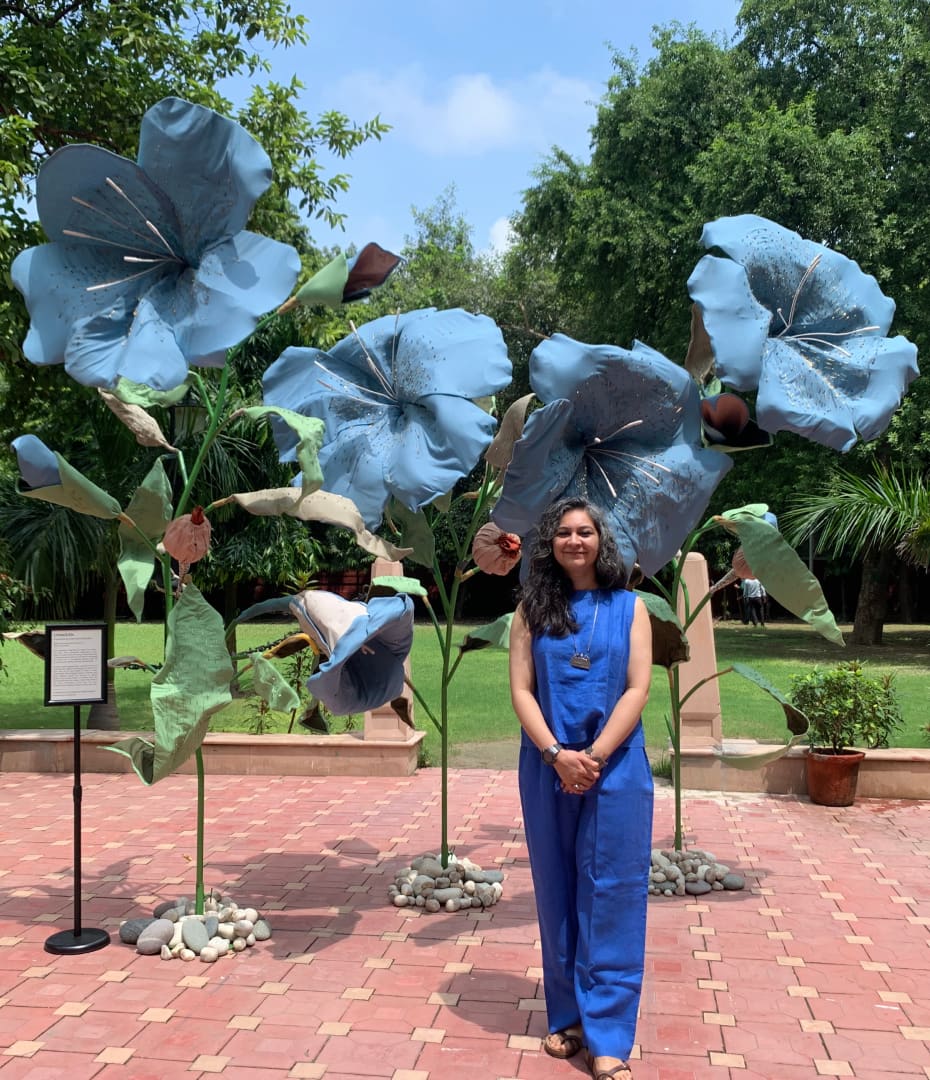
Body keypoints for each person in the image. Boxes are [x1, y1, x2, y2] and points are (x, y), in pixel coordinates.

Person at [509, 496, 653, 1080]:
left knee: (613, 894)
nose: (575, 540)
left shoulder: (630, 608)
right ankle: (568, 1015)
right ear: (551, 543)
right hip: (546, 765)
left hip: (615, 769)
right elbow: (521, 690)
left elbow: (637, 687)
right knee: (557, 889)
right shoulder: (531, 611)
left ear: (600, 541)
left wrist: (591, 757)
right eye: (565, 532)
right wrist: (556, 755)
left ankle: (609, 1035)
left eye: (585, 531)